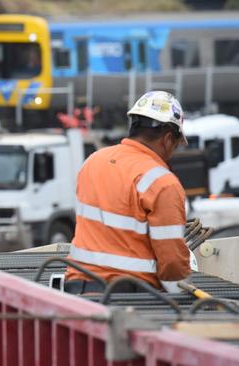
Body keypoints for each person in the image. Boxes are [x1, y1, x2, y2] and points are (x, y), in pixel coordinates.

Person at [65, 90, 192, 294]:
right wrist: (182, 291)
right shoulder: (162, 183)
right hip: (126, 297)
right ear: (168, 139)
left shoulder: (93, 162)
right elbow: (172, 263)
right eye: (175, 145)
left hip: (77, 289)